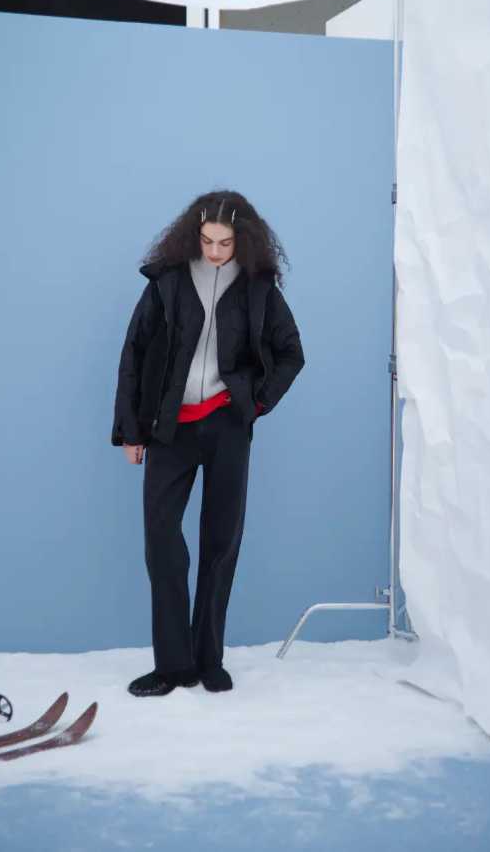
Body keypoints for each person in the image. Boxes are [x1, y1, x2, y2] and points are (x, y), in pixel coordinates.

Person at [111, 190, 305, 697]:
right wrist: (131, 431)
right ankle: (172, 666)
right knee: (161, 540)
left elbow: (291, 353)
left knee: (221, 543)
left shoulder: (258, 287)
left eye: (225, 243)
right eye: (207, 240)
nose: (215, 251)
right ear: (192, 235)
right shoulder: (167, 281)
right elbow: (134, 352)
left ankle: (207, 660)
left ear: (243, 240)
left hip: (226, 427)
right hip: (169, 429)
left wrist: (254, 403)